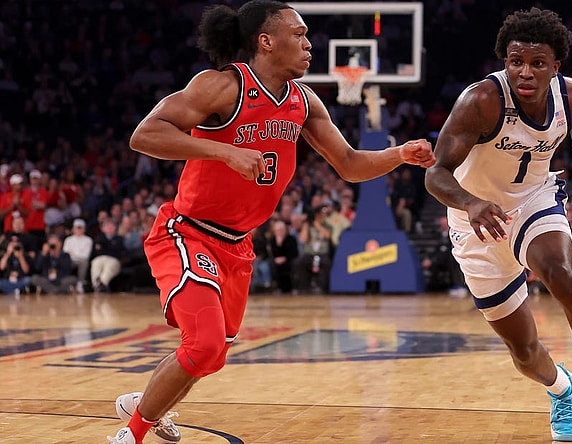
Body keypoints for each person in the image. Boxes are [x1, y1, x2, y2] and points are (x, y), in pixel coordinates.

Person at [107, 1, 435, 443]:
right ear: (266, 41)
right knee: (203, 345)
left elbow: (350, 164)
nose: (308, 44)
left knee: (210, 355)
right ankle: (132, 433)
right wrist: (224, 151)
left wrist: (399, 155)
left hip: (239, 245)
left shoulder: (304, 101)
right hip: (187, 232)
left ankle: (146, 402)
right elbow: (144, 134)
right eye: (298, 35)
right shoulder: (221, 87)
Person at [424, 8, 572, 443]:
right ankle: (561, 388)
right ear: (505, 61)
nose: (525, 71)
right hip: (474, 220)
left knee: (561, 275)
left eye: (538, 63)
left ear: (557, 66)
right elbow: (436, 172)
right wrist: (470, 202)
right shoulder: (481, 101)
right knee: (524, 351)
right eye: (516, 61)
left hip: (534, 202)